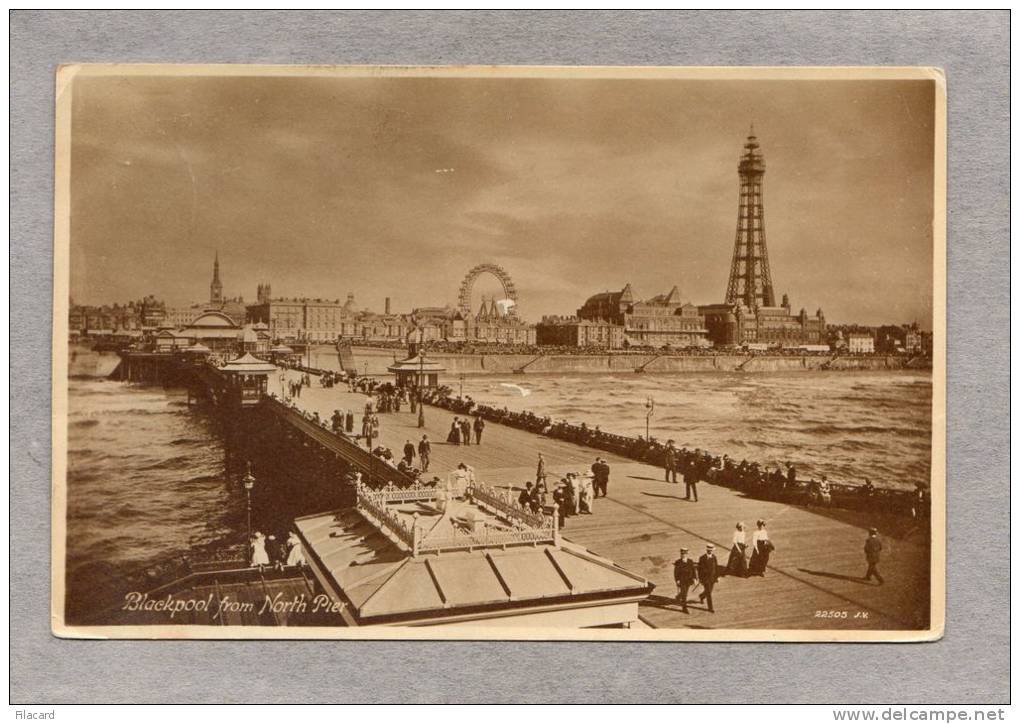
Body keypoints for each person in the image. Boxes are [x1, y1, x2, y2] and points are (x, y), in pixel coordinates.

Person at [673, 547, 698, 613]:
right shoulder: (678, 562)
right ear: (680, 554)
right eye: (682, 554)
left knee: (684, 592)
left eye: (684, 554)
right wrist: (677, 580)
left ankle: (678, 596)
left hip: (689, 580)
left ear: (687, 554)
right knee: (684, 594)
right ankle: (684, 608)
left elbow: (693, 571)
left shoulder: (690, 561)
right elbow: (676, 572)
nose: (683, 555)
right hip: (682, 580)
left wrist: (695, 578)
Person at [697, 544, 719, 612]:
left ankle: (701, 596)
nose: (710, 551)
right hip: (705, 578)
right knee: (709, 593)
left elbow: (716, 568)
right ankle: (710, 608)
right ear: (707, 550)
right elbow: (699, 569)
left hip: (712, 578)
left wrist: (716, 577)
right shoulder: (702, 558)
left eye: (711, 550)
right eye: (709, 550)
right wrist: (700, 578)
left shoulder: (714, 557)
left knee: (709, 591)